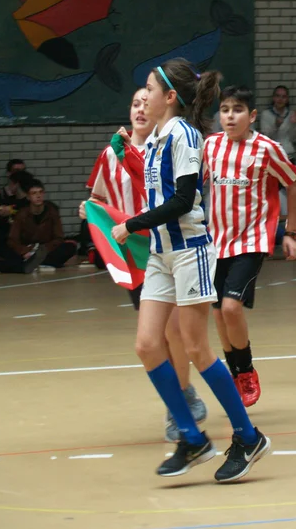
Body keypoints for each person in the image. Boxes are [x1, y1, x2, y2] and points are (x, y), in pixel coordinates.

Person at [111, 59, 271, 482]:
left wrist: (132, 224)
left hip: (189, 252)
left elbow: (182, 200)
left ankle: (248, 436)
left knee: (198, 349)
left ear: (169, 97)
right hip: (161, 254)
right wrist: (127, 157)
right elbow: (155, 190)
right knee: (147, 345)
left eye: (150, 88)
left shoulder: (183, 134)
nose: (143, 96)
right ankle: (191, 437)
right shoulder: (156, 138)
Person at [79, 87, 207, 442]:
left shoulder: (165, 149)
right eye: (134, 103)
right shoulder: (111, 154)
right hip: (135, 254)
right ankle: (182, 395)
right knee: (155, 338)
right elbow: (97, 199)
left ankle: (180, 401)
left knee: (175, 331)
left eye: (145, 102)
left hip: (171, 247)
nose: (139, 108)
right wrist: (89, 210)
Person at [203, 85, 296, 407]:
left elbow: (293, 182)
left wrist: (291, 229)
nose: (230, 116)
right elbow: (190, 183)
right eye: (225, 110)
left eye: (238, 110)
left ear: (252, 115)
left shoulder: (266, 148)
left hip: (251, 240)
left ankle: (246, 370)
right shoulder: (210, 146)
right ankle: (234, 372)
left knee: (231, 307)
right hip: (215, 241)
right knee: (218, 313)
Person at [7, 180, 78, 268]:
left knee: (70, 247)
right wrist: (25, 251)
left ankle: (39, 262)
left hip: (46, 249)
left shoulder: (52, 211)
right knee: (8, 252)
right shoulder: (22, 214)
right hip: (27, 249)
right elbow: (13, 240)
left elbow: (59, 237)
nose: (38, 196)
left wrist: (43, 249)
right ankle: (41, 262)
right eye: (34, 193)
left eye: (40, 192)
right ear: (28, 197)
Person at [258, 85, 296, 163]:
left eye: (283, 97)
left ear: (287, 99)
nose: (280, 99)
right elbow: (265, 138)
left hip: (288, 155)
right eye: (277, 96)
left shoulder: (291, 115)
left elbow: (294, 139)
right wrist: (276, 126)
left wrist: (294, 124)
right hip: (272, 156)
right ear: (273, 98)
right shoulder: (266, 114)